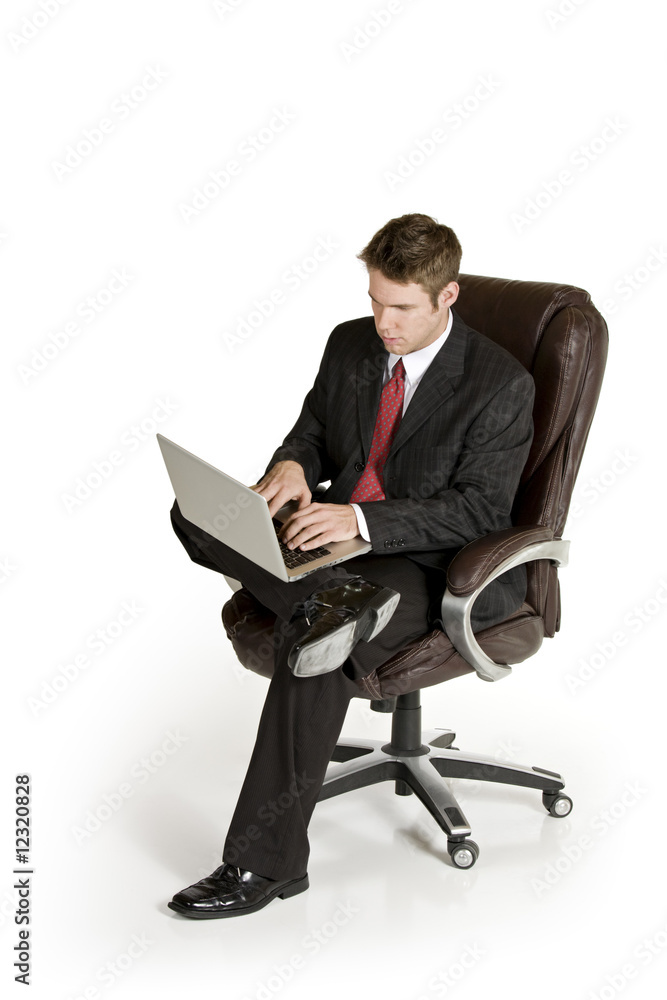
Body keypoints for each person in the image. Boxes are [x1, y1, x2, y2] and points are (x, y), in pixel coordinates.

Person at [167, 213, 535, 919]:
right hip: (335, 543)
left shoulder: (499, 383)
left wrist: (362, 521)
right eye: (374, 300)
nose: (383, 323)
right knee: (198, 510)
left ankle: (263, 864)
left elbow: (479, 511)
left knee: (318, 645)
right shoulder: (349, 343)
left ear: (447, 296)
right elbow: (313, 431)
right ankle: (334, 600)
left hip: (430, 562)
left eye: (402, 308)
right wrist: (293, 466)